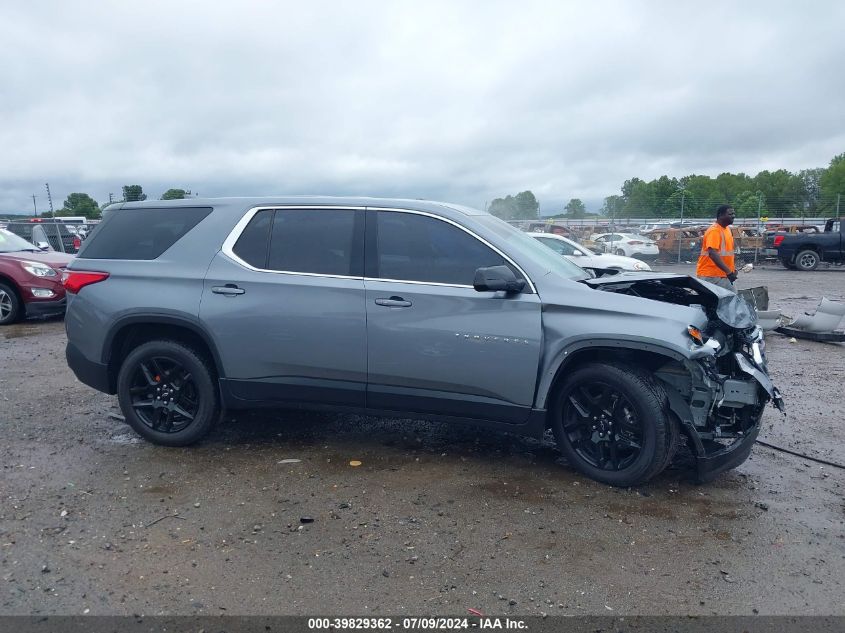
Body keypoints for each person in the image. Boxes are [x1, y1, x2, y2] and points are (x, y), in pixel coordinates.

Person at [696, 205, 738, 291]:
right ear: (720, 215)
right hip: (712, 276)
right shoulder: (714, 231)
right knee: (731, 300)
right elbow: (712, 253)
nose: (733, 216)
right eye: (730, 214)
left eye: (733, 213)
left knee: (728, 301)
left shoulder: (727, 230)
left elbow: (726, 253)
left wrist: (732, 269)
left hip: (721, 275)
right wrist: (729, 272)